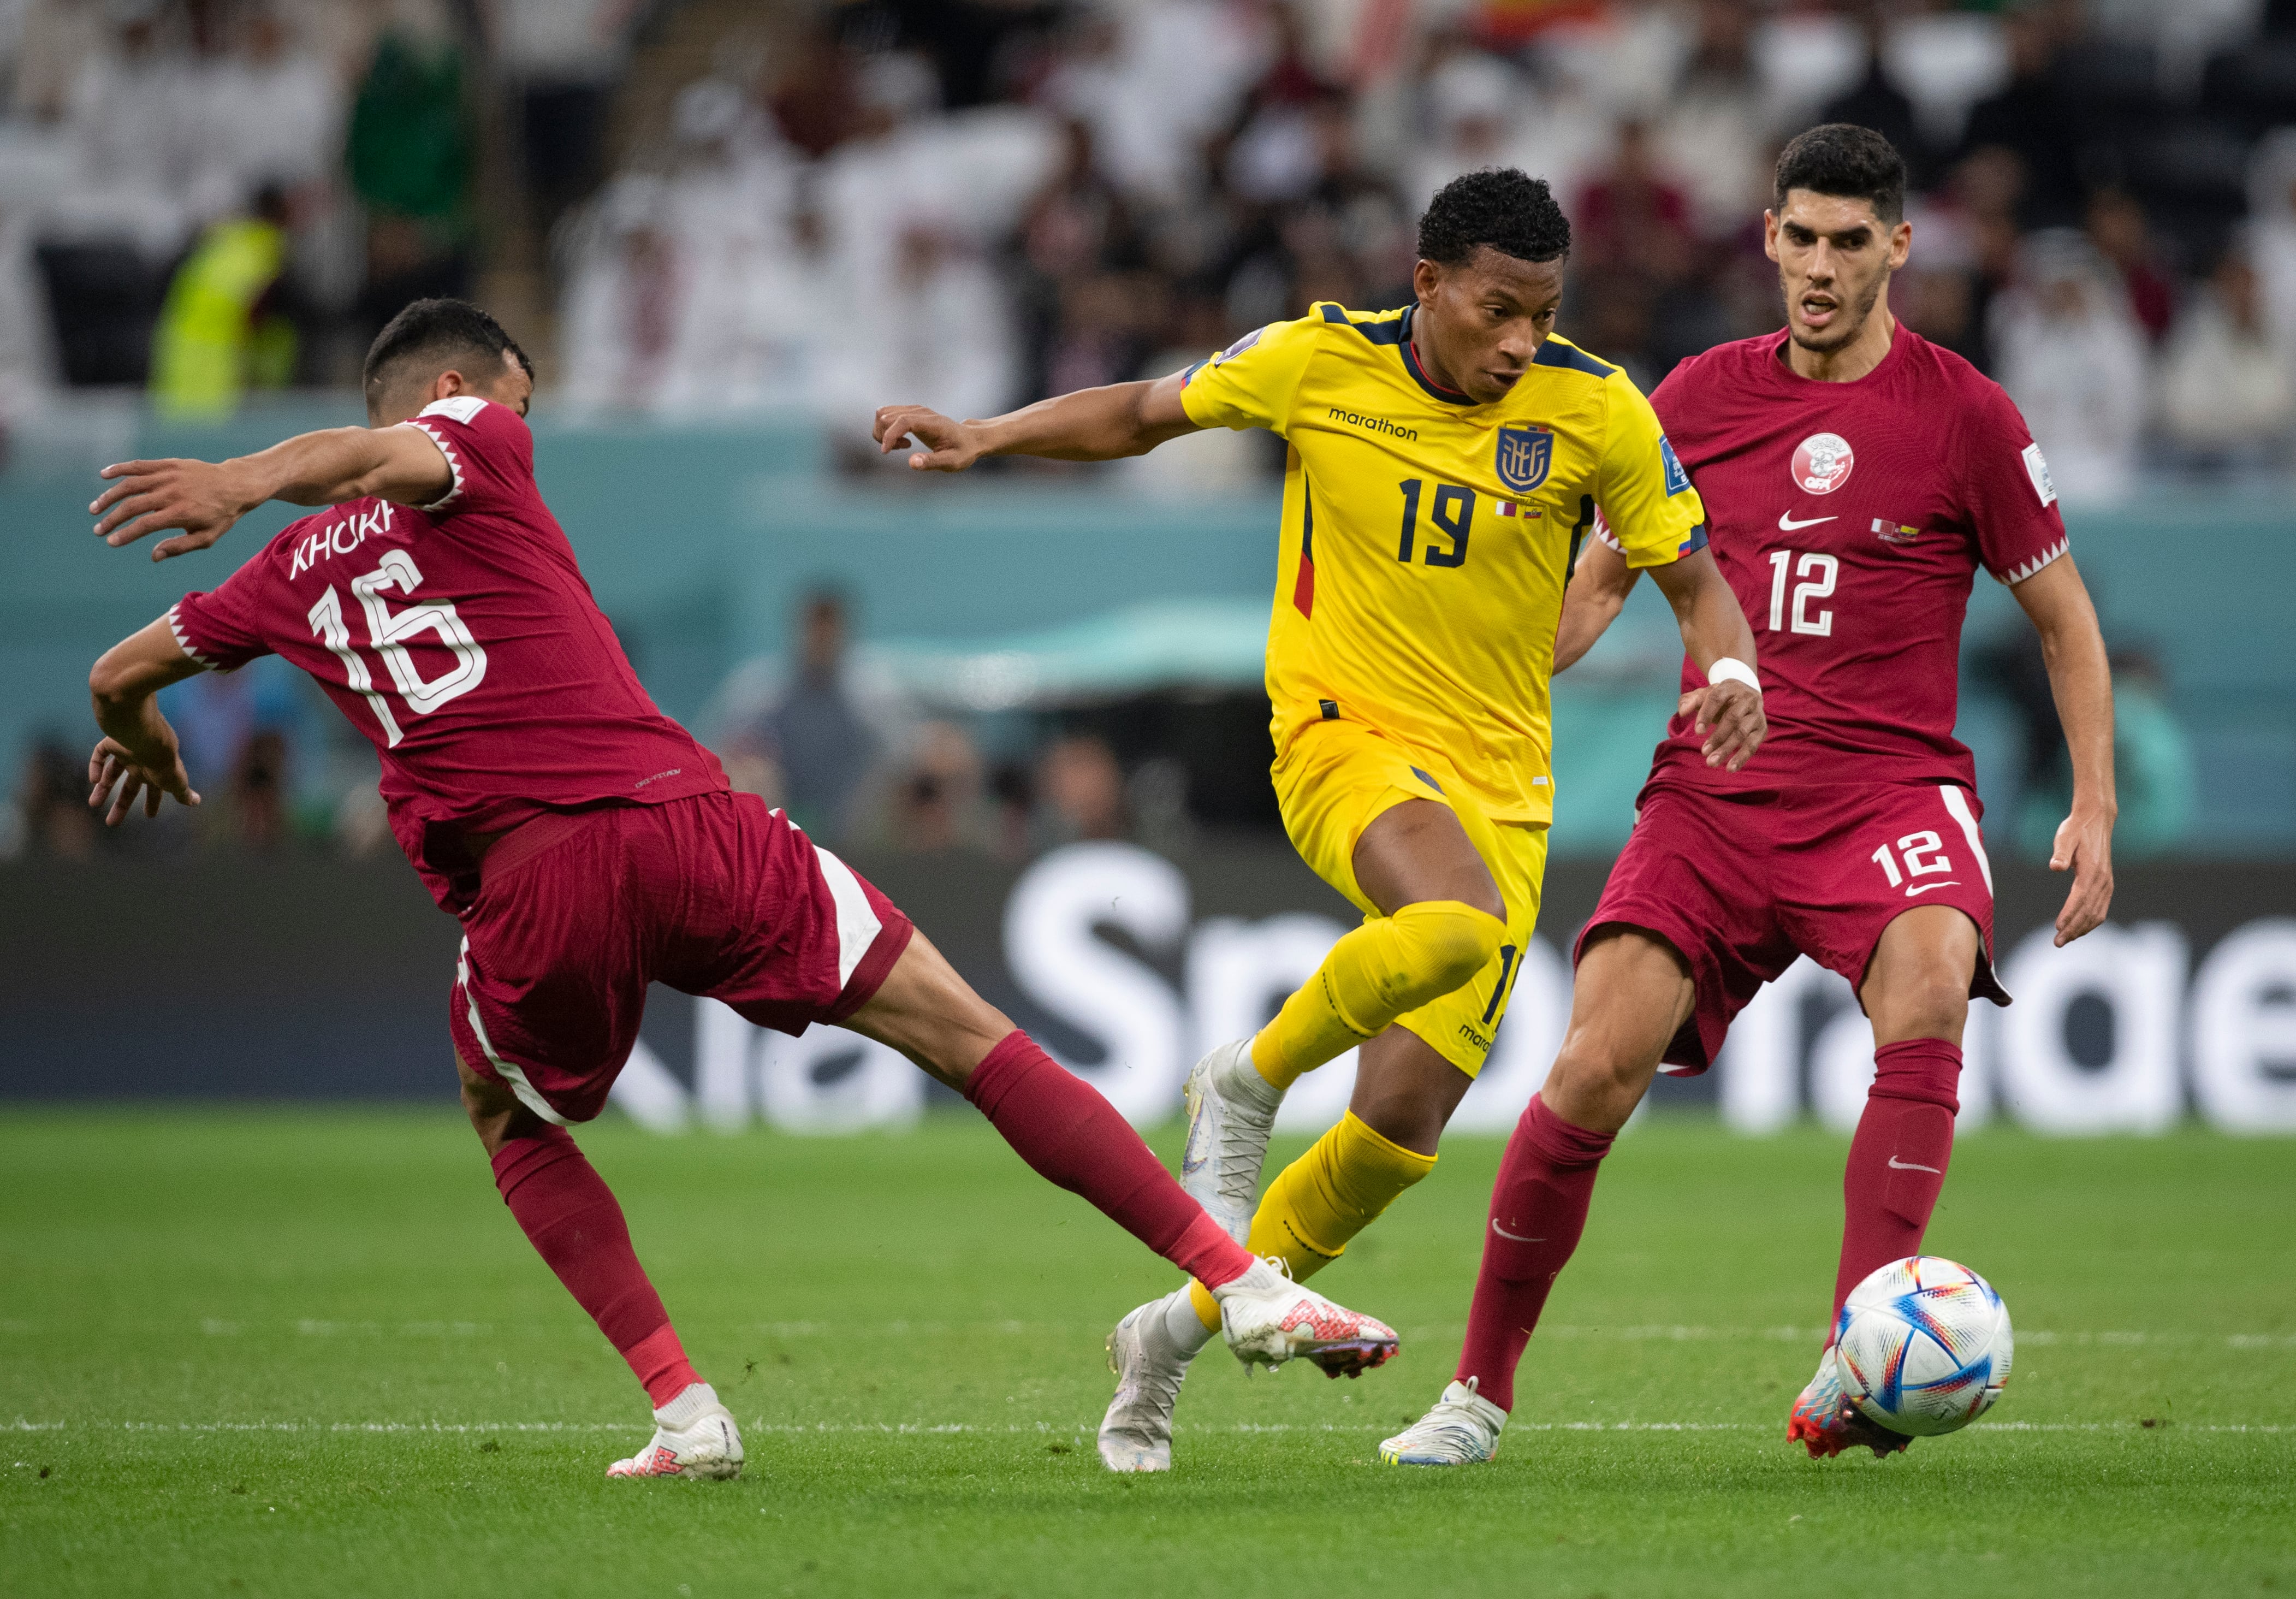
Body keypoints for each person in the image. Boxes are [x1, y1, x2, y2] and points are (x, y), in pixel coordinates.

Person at [80, 298, 1399, 1483]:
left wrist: (142, 739)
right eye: (515, 402)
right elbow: (374, 457)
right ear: (456, 395)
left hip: (538, 894)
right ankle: (1242, 1279)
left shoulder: (276, 584)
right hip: (690, 827)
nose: (518, 427)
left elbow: (115, 675)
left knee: (504, 1104)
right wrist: (247, 474)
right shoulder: (472, 441)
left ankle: (684, 1409)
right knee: (967, 1032)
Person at [873, 168, 1766, 1473]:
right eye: (1498, 310)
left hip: (1506, 789)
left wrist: (1731, 673)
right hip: (1341, 736)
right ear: (1428, 285)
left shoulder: (1598, 408)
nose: (1521, 341)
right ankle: (1244, 1080)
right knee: (1451, 924)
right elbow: (1138, 413)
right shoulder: (1316, 360)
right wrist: (987, 436)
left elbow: (1694, 581)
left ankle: (1159, 1349)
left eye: (1543, 313)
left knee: (1393, 1145)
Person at [1378, 125, 2117, 1470]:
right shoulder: (1697, 400)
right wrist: (1468, 696)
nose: (1822, 267)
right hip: (1712, 800)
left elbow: (2065, 622)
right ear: (1768, 238)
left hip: (1887, 794)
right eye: (1801, 237)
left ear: (1898, 247)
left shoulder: (1969, 418)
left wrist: (2095, 808)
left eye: (1851, 242)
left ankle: (1859, 1352)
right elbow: (1595, 589)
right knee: (1594, 1065)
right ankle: (1476, 1393)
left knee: (1934, 978)